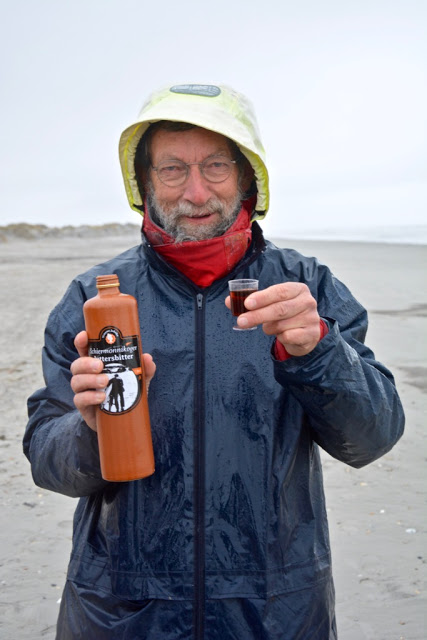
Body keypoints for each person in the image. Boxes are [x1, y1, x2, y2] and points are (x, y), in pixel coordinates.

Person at [24, 83, 405, 639]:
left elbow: (372, 437)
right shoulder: (94, 298)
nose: (196, 192)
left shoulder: (307, 287)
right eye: (173, 170)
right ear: (145, 182)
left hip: (276, 610)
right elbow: (45, 455)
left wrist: (318, 350)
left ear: (249, 175)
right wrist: (89, 431)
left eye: (216, 166)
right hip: (122, 608)